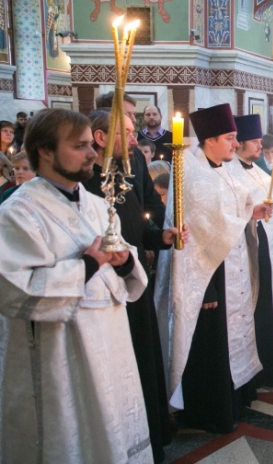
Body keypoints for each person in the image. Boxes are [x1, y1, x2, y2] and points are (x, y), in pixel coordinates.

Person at [0, 108, 153, 462]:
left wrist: (124, 261)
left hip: (110, 344)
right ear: (45, 150)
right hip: (61, 353)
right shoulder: (18, 212)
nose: (91, 154)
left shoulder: (98, 204)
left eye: (89, 145)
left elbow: (125, 262)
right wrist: (89, 263)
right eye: (79, 146)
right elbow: (15, 291)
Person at [156, 103, 268, 433]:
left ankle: (234, 400)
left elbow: (229, 215)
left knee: (229, 339)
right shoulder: (193, 177)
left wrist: (251, 213)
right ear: (210, 140)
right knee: (209, 345)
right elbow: (197, 243)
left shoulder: (220, 169)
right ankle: (208, 411)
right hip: (207, 278)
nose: (236, 143)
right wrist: (208, 289)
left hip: (229, 270)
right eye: (230, 138)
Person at [84, 107, 183, 462]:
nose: (133, 138)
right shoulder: (88, 186)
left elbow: (136, 228)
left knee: (142, 359)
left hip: (134, 281)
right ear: (100, 138)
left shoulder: (125, 175)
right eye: (125, 132)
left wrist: (160, 238)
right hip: (105, 294)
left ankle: (149, 436)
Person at [227, 114, 273, 387]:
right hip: (255, 251)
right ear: (240, 143)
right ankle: (266, 366)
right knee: (263, 306)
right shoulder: (231, 173)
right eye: (255, 142)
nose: (260, 146)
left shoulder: (258, 171)